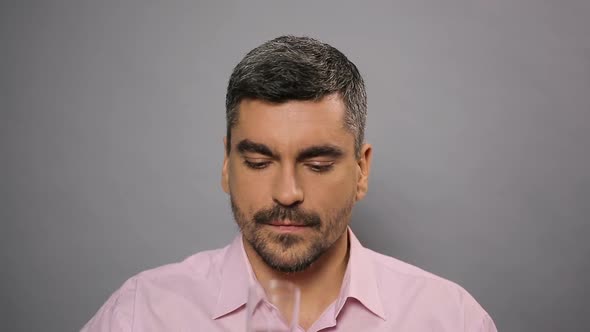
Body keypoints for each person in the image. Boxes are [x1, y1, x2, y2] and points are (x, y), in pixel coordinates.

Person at [81, 35, 497, 331]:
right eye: (259, 162)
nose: (287, 193)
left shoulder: (451, 319)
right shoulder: (139, 316)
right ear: (227, 165)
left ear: (361, 171)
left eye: (316, 164)